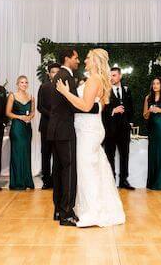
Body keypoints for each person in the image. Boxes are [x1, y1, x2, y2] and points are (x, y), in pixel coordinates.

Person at [55, 48, 125, 227]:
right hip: (87, 128)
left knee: (87, 171)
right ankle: (94, 207)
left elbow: (86, 106)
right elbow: (97, 105)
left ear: (95, 61)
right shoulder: (94, 80)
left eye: (87, 58)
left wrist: (65, 92)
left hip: (88, 130)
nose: (84, 61)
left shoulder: (94, 80)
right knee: (94, 168)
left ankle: (93, 212)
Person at [48, 48, 99, 227]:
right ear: (67, 58)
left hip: (56, 130)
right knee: (69, 170)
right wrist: (96, 108)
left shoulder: (60, 75)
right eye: (76, 58)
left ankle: (58, 210)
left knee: (60, 171)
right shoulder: (66, 76)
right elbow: (77, 105)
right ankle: (66, 213)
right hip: (65, 130)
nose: (78, 61)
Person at [102, 67, 135, 190]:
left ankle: (123, 181)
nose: (111, 78)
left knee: (124, 155)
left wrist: (130, 122)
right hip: (110, 129)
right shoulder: (105, 91)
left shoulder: (127, 90)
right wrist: (113, 110)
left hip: (124, 129)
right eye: (110, 76)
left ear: (120, 76)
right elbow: (102, 110)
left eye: (114, 75)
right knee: (110, 156)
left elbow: (131, 107)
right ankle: (111, 181)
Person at [6, 75, 35, 190]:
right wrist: (20, 117)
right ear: (17, 84)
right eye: (22, 82)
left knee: (26, 153)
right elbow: (8, 113)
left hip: (27, 128)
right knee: (17, 154)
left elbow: (33, 112)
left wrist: (29, 117)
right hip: (17, 128)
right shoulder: (12, 96)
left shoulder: (31, 97)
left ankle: (27, 181)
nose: (24, 84)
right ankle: (17, 182)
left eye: (26, 82)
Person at [37, 63, 60, 189]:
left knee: (57, 154)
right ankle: (46, 180)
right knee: (45, 154)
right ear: (49, 74)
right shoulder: (43, 87)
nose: (55, 74)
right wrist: (52, 115)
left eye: (57, 71)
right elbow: (39, 106)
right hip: (46, 125)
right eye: (53, 72)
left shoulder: (64, 87)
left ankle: (56, 180)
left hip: (59, 127)